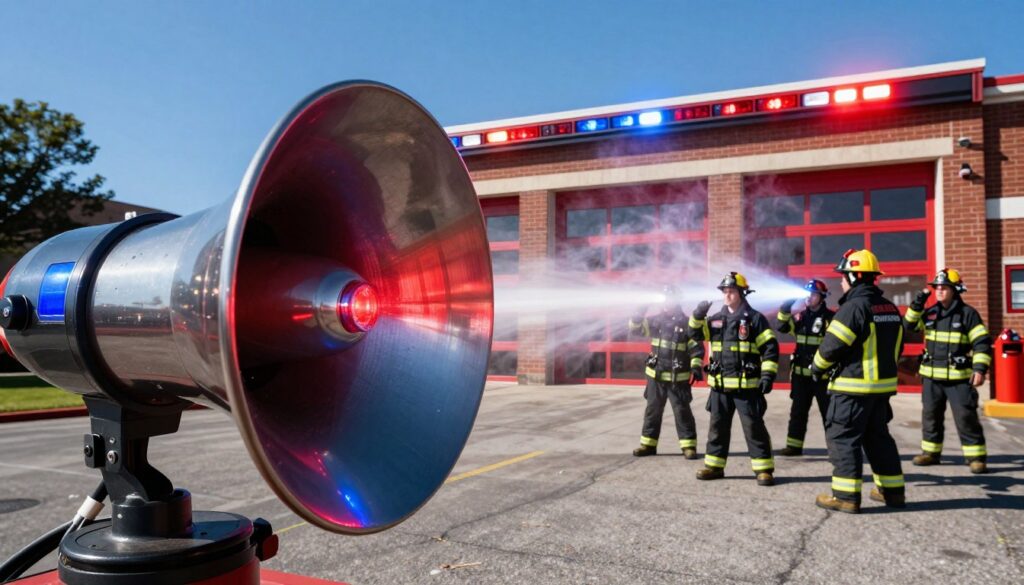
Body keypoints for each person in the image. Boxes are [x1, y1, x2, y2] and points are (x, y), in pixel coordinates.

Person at [811, 249, 906, 513]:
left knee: (843, 439)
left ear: (854, 276)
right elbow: (896, 347)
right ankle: (893, 492)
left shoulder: (853, 307)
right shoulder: (889, 307)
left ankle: (845, 496)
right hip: (881, 389)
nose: (841, 281)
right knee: (879, 440)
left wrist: (816, 368)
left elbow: (831, 347)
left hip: (853, 388)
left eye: (843, 276)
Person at [690, 273, 779, 486]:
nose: (727, 295)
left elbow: (770, 349)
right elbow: (694, 334)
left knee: (754, 428)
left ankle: (764, 470)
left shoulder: (755, 319)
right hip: (720, 387)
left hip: (746, 387)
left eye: (731, 291)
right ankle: (714, 466)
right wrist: (697, 315)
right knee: (717, 428)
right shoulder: (714, 320)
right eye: (724, 292)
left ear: (741, 293)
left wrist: (767, 375)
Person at [904, 269, 992, 474]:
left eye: (944, 288)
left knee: (965, 417)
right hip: (932, 377)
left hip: (958, 379)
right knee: (930, 416)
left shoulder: (968, 314)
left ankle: (976, 457)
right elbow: (908, 326)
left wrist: (979, 369)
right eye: (937, 287)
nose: (939, 291)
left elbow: (982, 343)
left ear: (955, 290)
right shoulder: (931, 312)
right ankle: (931, 453)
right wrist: (916, 305)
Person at [629, 285, 705, 459]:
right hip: (656, 376)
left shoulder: (687, 323)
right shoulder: (655, 321)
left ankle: (688, 446)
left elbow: (696, 349)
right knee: (653, 410)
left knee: (682, 411)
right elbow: (635, 329)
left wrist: (695, 367)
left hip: (678, 378)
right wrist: (640, 311)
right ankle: (648, 445)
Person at [776, 280, 835, 456]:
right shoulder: (800, 317)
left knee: (829, 414)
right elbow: (782, 326)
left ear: (821, 297)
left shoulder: (830, 319)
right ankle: (794, 446)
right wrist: (785, 308)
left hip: (822, 376)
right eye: (807, 294)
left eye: (813, 294)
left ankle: (836, 448)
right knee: (798, 412)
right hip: (801, 376)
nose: (809, 297)